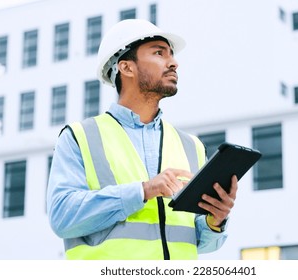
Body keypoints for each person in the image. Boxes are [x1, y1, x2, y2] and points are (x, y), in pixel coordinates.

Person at [46, 19, 238, 260]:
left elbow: (198, 241)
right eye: (159, 53)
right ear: (126, 68)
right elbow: (63, 217)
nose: (174, 63)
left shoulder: (192, 146)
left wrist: (215, 220)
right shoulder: (79, 137)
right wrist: (143, 191)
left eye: (172, 55)